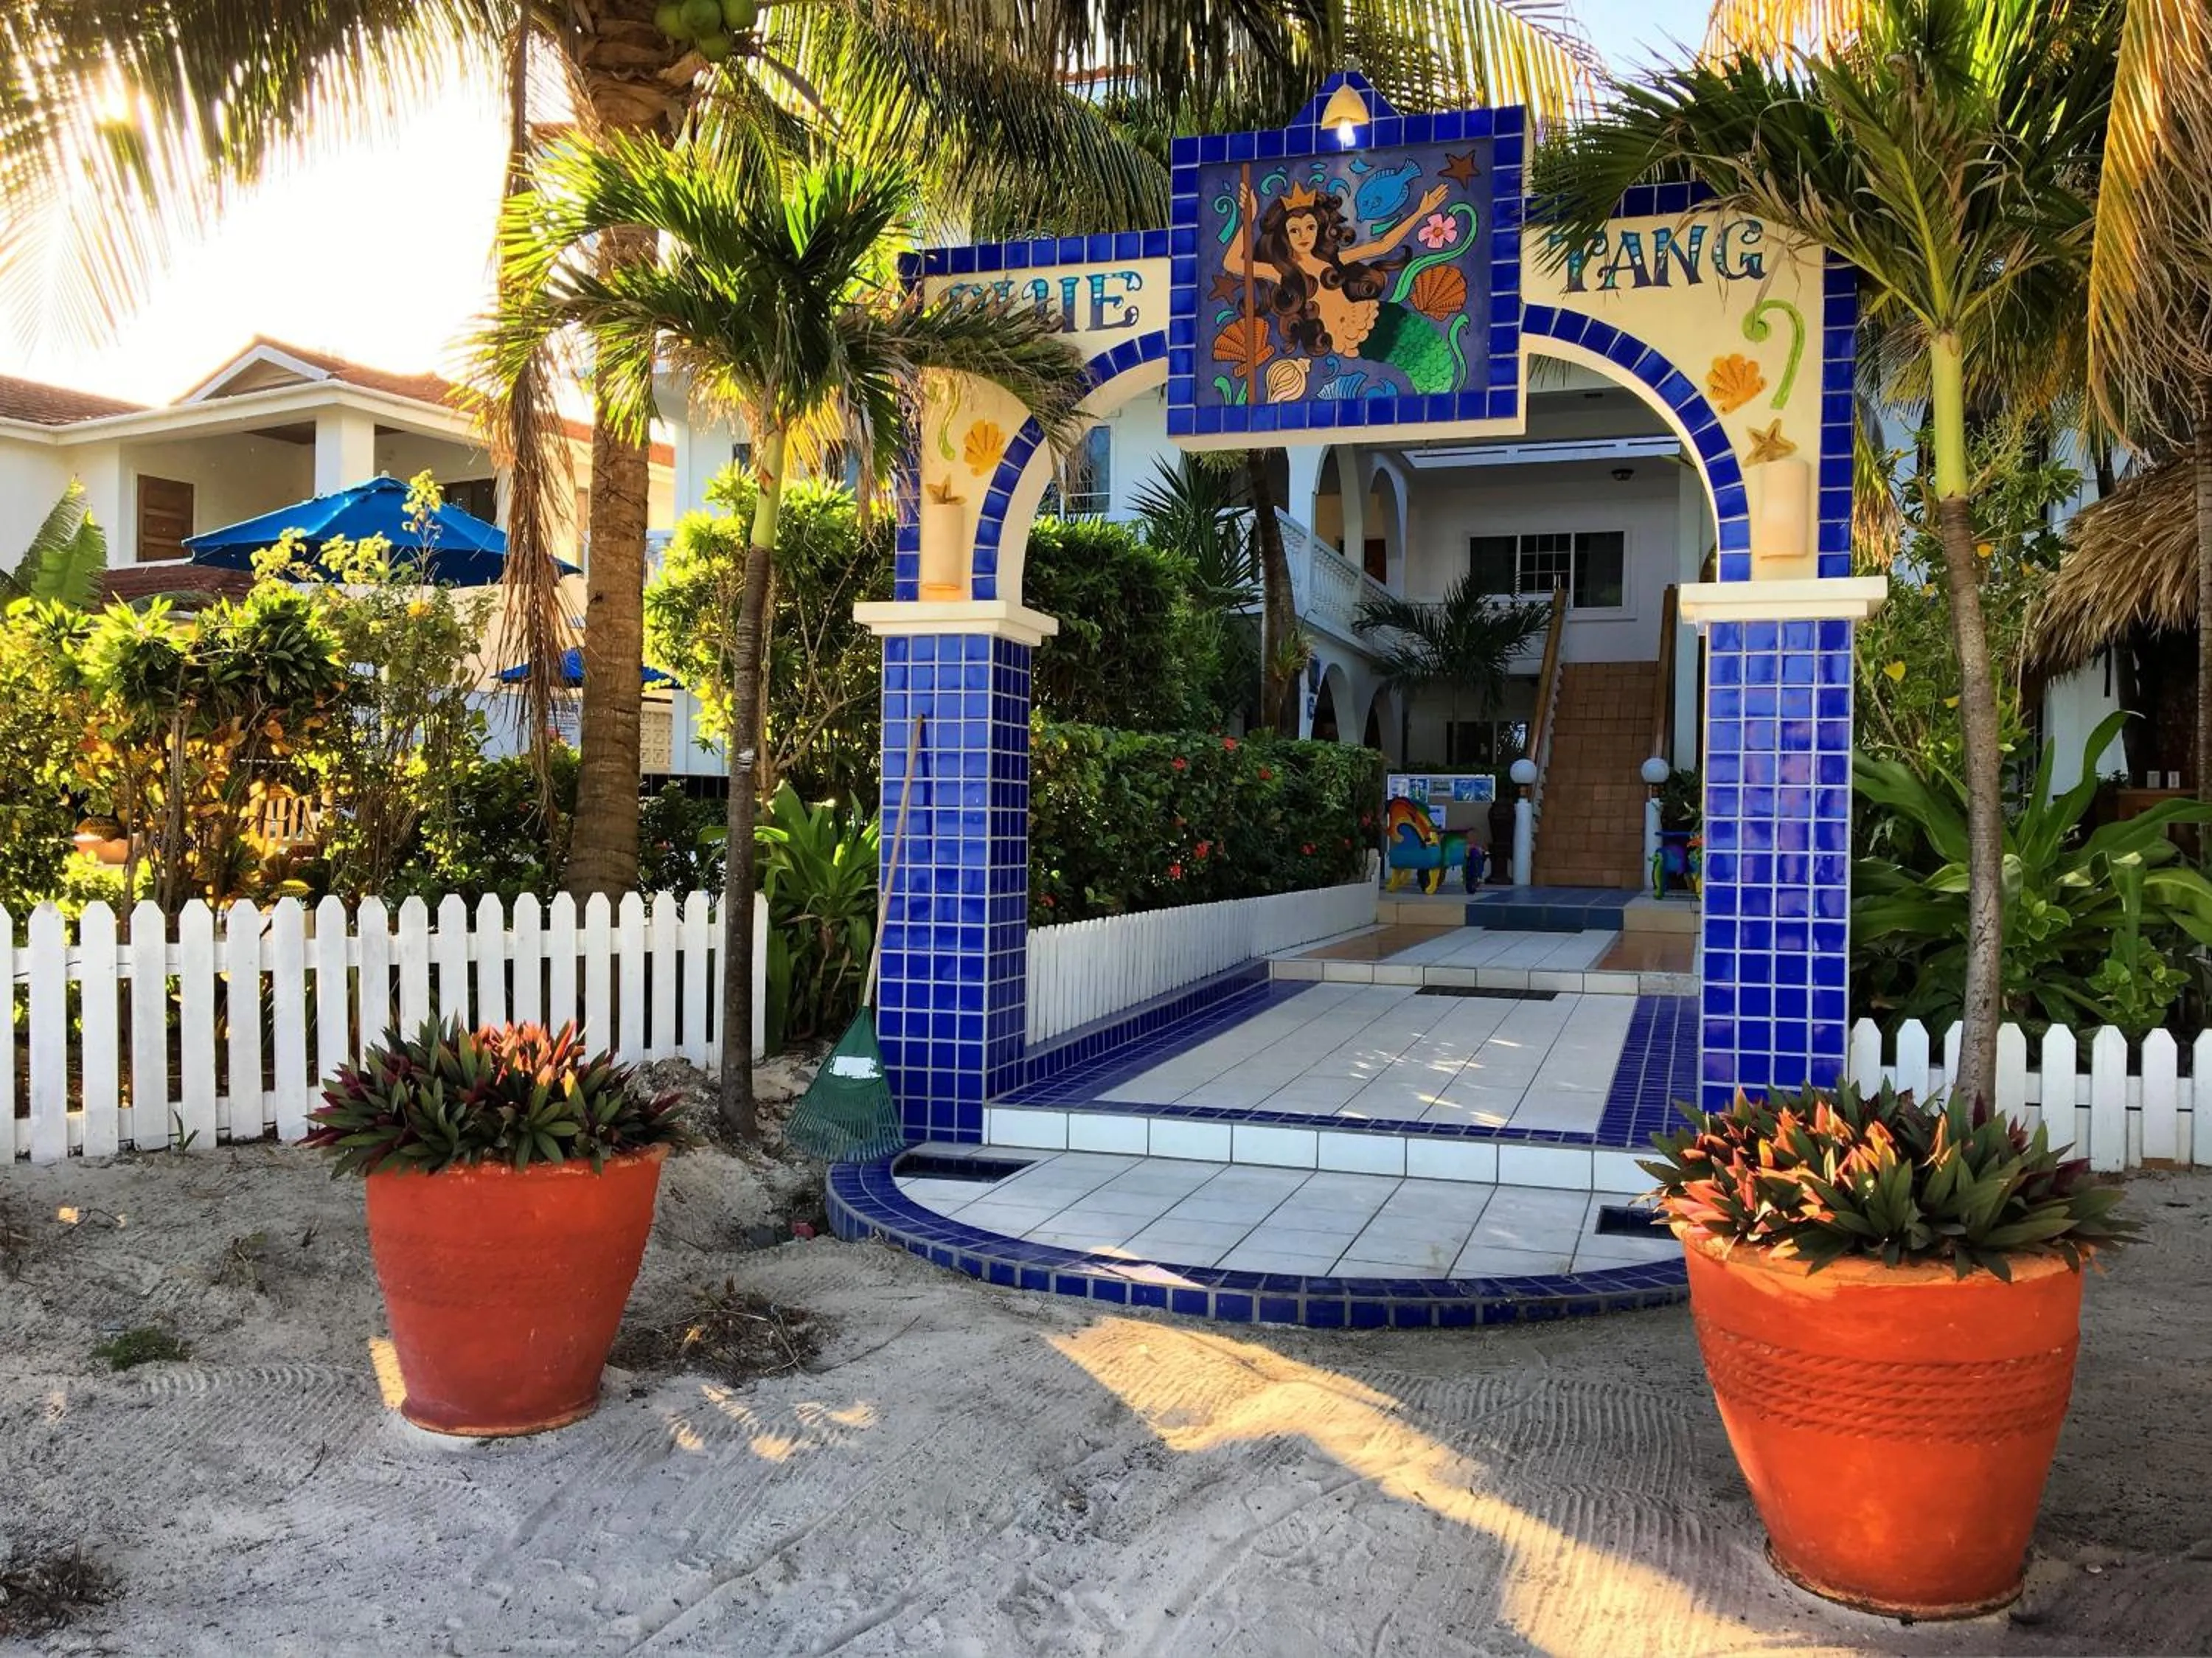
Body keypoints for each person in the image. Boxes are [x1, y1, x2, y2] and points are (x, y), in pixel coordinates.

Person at [1231, 177, 1457, 394]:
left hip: (1378, 319)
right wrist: (1246, 219)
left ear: (1319, 228)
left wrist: (1421, 212)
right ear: (1284, 235)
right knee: (1425, 370)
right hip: (1356, 338)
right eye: (1294, 230)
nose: (1303, 235)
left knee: (1432, 365)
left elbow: (1382, 245)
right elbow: (1232, 263)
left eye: (1310, 227)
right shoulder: (1285, 273)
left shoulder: (1331, 262)